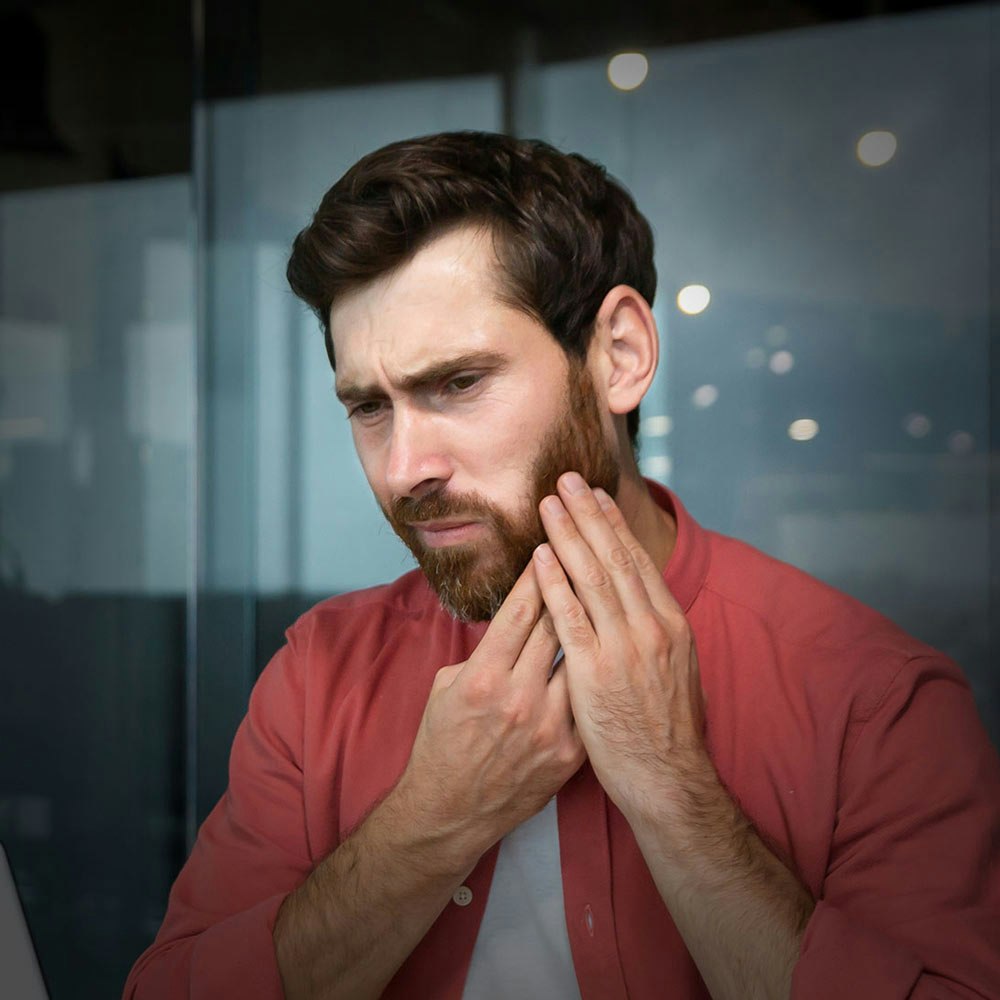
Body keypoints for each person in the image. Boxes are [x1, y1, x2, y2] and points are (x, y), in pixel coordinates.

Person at [124, 131, 1000, 1000]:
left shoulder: (872, 699)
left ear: (619, 355)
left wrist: (669, 789)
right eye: (369, 406)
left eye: (459, 383)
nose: (402, 468)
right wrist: (430, 822)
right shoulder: (320, 678)